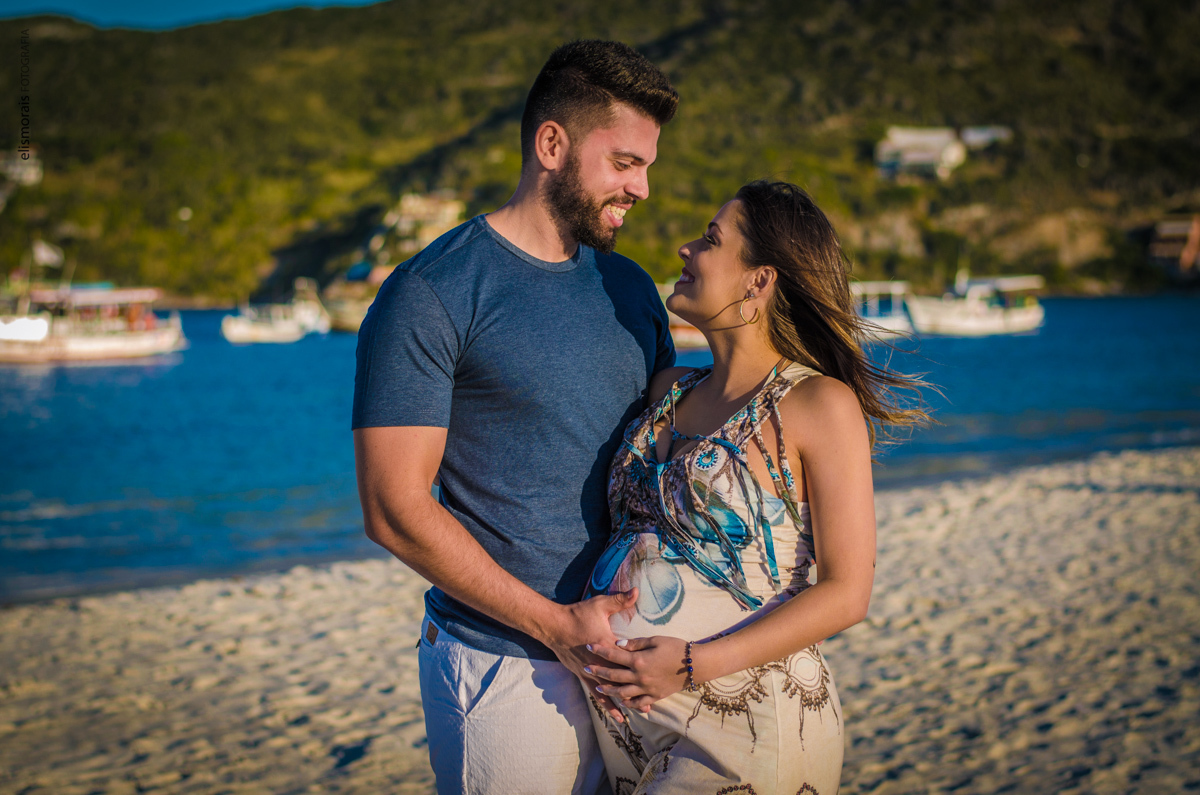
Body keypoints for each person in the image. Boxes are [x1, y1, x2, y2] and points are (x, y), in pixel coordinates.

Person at [352, 41, 679, 794]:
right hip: (505, 666)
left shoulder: (631, 288)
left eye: (647, 166)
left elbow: (673, 443)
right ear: (551, 145)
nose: (643, 187)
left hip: (634, 662)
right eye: (625, 162)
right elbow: (392, 509)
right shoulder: (431, 292)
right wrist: (557, 627)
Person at [580, 180, 930, 793]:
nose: (687, 249)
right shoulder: (668, 390)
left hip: (746, 726)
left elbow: (847, 593)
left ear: (758, 281)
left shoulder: (818, 404)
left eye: (711, 240)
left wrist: (692, 665)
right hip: (629, 732)